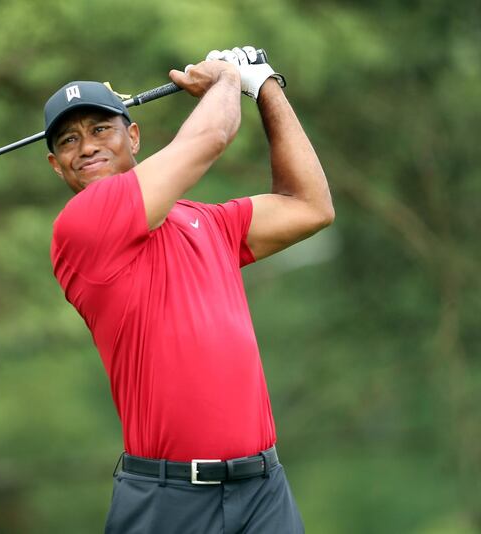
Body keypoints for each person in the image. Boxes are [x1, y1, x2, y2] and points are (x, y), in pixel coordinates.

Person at [44, 46, 333, 534]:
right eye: (69, 140)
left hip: (263, 489)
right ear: (56, 165)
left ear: (132, 135)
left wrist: (264, 87)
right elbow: (212, 135)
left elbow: (309, 205)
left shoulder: (206, 221)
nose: (86, 146)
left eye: (100, 129)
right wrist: (227, 78)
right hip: (168, 501)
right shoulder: (81, 227)